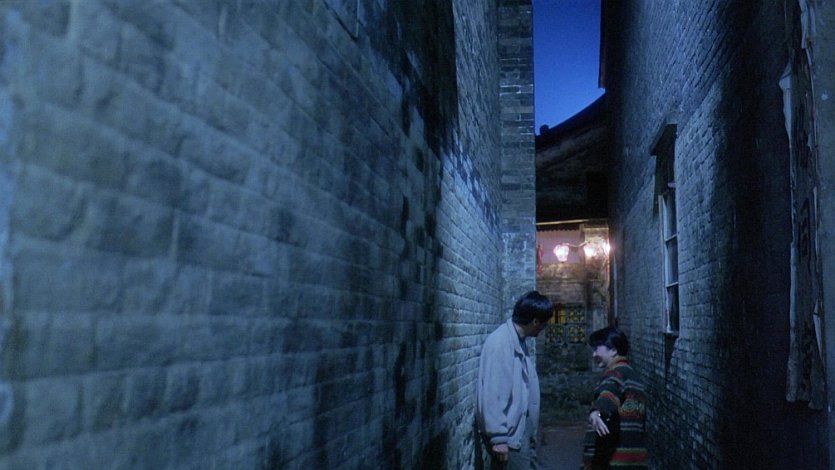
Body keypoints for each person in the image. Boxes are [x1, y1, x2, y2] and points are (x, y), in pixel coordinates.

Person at [476, 290, 554, 469]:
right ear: (535, 321)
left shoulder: (517, 340)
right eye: (544, 323)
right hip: (509, 436)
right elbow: (493, 394)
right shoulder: (501, 343)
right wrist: (499, 438)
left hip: (519, 430)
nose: (544, 327)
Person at [582, 326, 648, 469]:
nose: (594, 354)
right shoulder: (631, 374)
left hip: (614, 460)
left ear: (613, 350)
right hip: (633, 459)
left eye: (596, 349)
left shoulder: (616, 373)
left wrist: (596, 411)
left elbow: (609, 393)